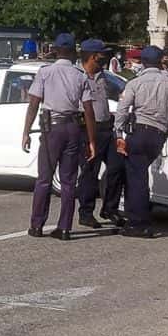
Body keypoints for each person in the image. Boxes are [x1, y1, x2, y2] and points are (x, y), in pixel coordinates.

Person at [112, 44, 168, 238]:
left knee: (136, 179)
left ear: (143, 63)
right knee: (140, 175)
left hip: (139, 132)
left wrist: (118, 134)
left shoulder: (135, 83)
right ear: (161, 61)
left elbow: (122, 110)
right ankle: (139, 219)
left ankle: (138, 223)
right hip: (159, 134)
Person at [21, 33, 98, 241]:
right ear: (73, 52)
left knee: (44, 179)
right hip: (72, 127)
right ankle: (64, 227)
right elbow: (88, 110)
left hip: (51, 128)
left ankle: (37, 225)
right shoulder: (80, 75)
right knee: (68, 181)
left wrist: (26, 131)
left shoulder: (45, 72)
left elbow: (34, 103)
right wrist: (92, 140)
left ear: (55, 51)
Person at [75, 39, 125, 228]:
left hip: (107, 127)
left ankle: (110, 209)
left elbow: (120, 91)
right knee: (90, 172)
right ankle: (86, 213)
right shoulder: (76, 76)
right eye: (102, 54)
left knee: (117, 166)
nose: (105, 57)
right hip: (87, 129)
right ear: (93, 56)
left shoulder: (103, 75)